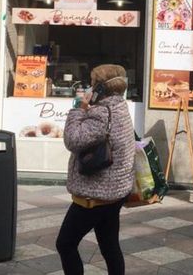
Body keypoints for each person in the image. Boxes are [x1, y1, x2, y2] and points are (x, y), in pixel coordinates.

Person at [56, 64, 135, 275]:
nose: (88, 87)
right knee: (109, 246)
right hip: (116, 193)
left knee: (65, 244)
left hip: (95, 197)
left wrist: (79, 109)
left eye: (91, 83)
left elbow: (73, 140)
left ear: (99, 87)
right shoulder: (120, 107)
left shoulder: (101, 113)